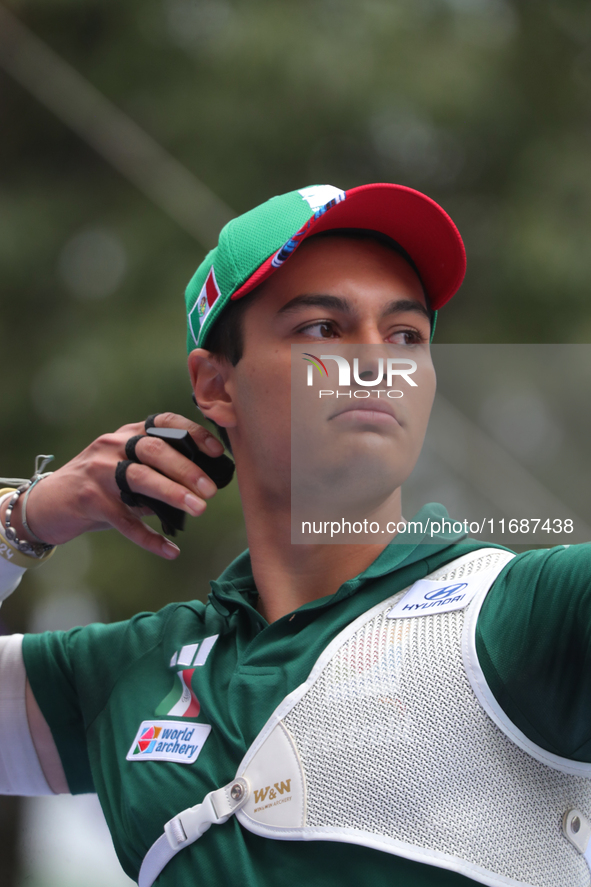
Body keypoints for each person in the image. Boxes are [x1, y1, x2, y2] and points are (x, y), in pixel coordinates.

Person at [1, 182, 591, 887]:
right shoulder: (129, 675)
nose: (378, 361)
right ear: (215, 385)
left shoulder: (529, 614)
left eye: (405, 334)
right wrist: (28, 518)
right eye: (321, 328)